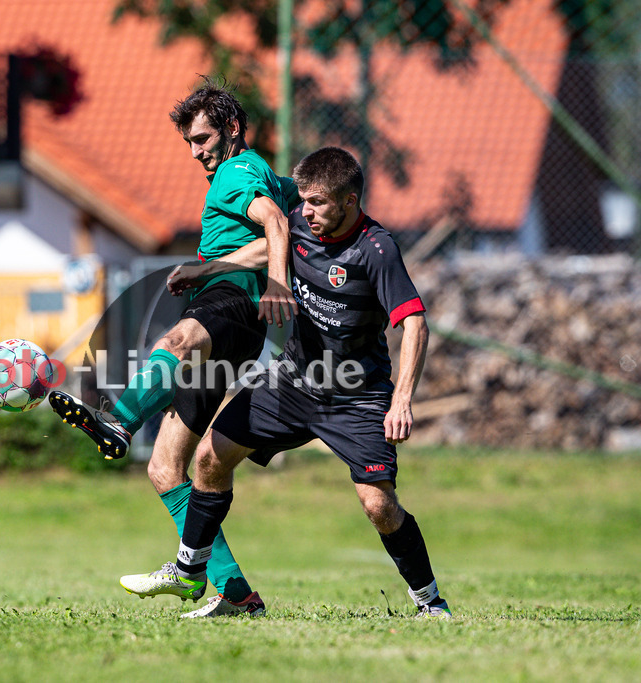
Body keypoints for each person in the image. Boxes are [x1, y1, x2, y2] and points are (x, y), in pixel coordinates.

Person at [121, 146, 452, 618]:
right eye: (304, 201)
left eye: (318, 202)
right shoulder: (299, 222)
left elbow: (414, 322)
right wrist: (206, 269)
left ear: (350, 201)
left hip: (356, 395)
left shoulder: (377, 250)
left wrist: (401, 401)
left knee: (378, 505)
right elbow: (263, 248)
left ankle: (430, 603)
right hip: (292, 382)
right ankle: (190, 569)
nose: (306, 211)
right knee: (210, 456)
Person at [49, 78, 298, 618]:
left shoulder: (235, 172)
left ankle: (119, 420)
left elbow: (274, 225)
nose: (195, 152)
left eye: (203, 138)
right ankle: (236, 594)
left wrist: (272, 283)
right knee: (165, 468)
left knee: (176, 341)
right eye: (189, 142)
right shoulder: (262, 174)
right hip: (233, 316)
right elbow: (286, 214)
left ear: (232, 128)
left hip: (231, 304)